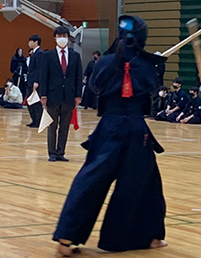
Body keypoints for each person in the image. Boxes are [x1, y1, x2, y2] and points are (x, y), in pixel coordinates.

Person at [52, 15, 167, 256]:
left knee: (90, 180)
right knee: (142, 184)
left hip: (107, 128)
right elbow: (155, 92)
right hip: (136, 131)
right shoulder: (146, 66)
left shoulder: (104, 63)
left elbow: (94, 88)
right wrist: (150, 64)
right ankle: (140, 237)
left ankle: (66, 236)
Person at [39, 26, 83, 162]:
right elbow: (43, 76)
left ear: (68, 37)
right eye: (59, 36)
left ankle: (61, 152)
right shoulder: (47, 56)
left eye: (64, 35)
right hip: (52, 95)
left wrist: (78, 95)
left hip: (69, 96)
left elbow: (78, 76)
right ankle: (52, 152)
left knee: (64, 126)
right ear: (55, 38)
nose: (61, 38)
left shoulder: (75, 56)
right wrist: (43, 95)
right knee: (52, 126)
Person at [26, 35, 43, 128]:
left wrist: (36, 81)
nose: (30, 43)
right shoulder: (33, 53)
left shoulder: (39, 53)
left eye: (31, 41)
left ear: (36, 41)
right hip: (30, 80)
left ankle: (38, 121)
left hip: (34, 82)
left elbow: (39, 68)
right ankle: (34, 120)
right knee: (30, 101)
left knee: (36, 102)